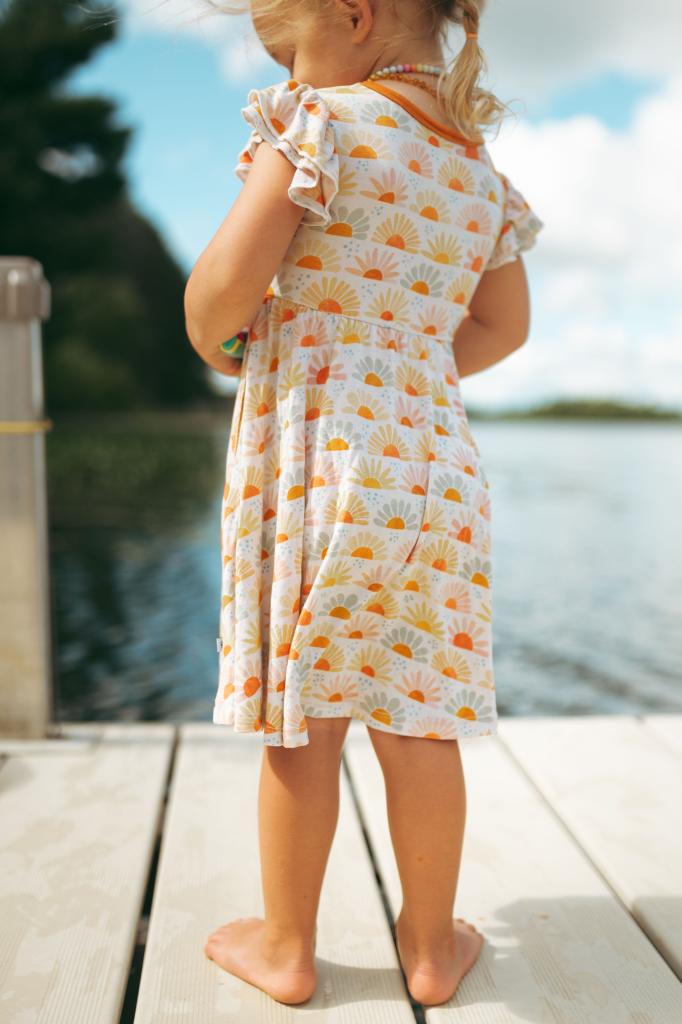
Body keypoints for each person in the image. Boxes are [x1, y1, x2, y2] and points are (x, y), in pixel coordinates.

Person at [184, 0, 544, 1008]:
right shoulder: (476, 169)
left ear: (353, 15)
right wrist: (402, 360)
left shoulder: (321, 126)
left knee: (305, 718)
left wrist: (237, 345)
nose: (290, 79)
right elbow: (503, 327)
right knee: (419, 718)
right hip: (437, 475)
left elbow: (219, 297)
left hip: (319, 463)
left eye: (293, 53)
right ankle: (430, 948)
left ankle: (287, 948)